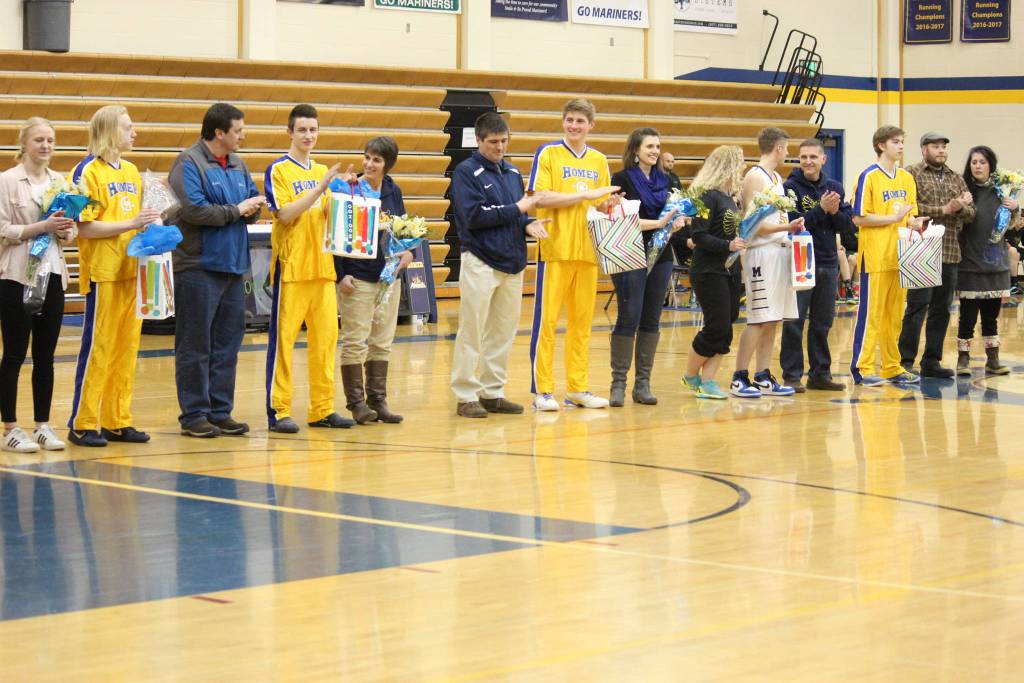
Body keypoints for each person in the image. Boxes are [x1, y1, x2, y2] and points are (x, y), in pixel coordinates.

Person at [67, 105, 162, 447]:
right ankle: (83, 421)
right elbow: (86, 228)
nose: (134, 133)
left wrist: (153, 223)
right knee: (99, 348)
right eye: (127, 127)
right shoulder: (87, 171)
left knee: (127, 348)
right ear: (109, 131)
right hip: (103, 272)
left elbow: (138, 218)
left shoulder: (134, 170)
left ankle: (117, 420)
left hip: (132, 270)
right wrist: (131, 223)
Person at [169, 103, 265, 438]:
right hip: (198, 266)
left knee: (227, 342)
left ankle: (220, 410)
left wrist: (250, 210)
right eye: (238, 130)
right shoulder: (188, 163)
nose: (243, 135)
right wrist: (236, 210)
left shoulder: (238, 164)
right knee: (195, 344)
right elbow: (194, 210)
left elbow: (252, 199)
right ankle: (194, 414)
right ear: (219, 132)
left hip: (234, 265)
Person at [449, 113, 548, 418]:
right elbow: (474, 217)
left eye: (504, 141)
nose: (500, 147)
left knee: (503, 332)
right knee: (472, 330)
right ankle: (466, 395)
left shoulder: (512, 172)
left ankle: (492, 392)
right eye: (493, 142)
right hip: (479, 259)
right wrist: (519, 209)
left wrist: (527, 223)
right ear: (479, 141)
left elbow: (515, 214)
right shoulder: (466, 172)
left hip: (512, 262)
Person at [263, 104, 355, 433]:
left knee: (326, 343)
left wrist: (349, 191)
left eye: (313, 130)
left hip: (323, 270)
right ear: (290, 132)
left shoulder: (322, 172)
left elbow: (333, 216)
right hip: (292, 270)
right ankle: (280, 410)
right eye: (302, 130)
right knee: (284, 344)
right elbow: (286, 214)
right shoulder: (278, 170)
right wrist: (321, 188)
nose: (308, 135)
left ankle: (322, 409)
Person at [527, 98, 619, 411]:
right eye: (569, 120)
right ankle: (543, 391)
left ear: (591, 125)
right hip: (555, 248)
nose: (574, 126)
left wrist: (611, 204)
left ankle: (577, 388)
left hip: (588, 250)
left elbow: (602, 201)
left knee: (582, 324)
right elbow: (540, 197)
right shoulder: (548, 153)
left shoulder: (599, 160)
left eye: (580, 121)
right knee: (547, 322)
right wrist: (584, 194)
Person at [0, 117, 76, 452]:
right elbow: (5, 230)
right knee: (15, 352)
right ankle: (11, 426)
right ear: (24, 144)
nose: (45, 146)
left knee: (46, 355)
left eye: (50, 140)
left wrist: (64, 229)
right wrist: (41, 226)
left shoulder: (60, 182)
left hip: (53, 275)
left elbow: (70, 232)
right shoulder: (6, 181)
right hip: (16, 276)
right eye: (39, 140)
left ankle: (43, 424)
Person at [336, 136, 415, 424]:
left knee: (382, 342)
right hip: (356, 277)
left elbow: (402, 229)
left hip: (388, 277)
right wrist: (340, 273)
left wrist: (408, 253)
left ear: (387, 165)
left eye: (376, 160)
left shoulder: (394, 190)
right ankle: (356, 403)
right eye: (366, 157)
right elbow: (336, 233)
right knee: (355, 341)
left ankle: (378, 400)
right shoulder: (350, 187)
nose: (369, 164)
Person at [608, 128, 689, 407]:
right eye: (649, 146)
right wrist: (660, 223)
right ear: (635, 150)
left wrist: (678, 222)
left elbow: (673, 216)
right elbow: (619, 220)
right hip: (629, 253)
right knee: (628, 315)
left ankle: (643, 384)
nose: (655, 151)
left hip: (662, 255)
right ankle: (618, 383)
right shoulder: (620, 179)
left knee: (652, 318)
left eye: (657, 146)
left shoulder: (666, 180)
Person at [730, 127, 804, 399]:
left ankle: (762, 375)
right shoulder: (755, 177)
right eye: (787, 148)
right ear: (779, 148)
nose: (788, 153)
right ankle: (739, 376)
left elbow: (776, 220)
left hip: (779, 252)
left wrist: (790, 227)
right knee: (758, 318)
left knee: (773, 319)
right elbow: (752, 226)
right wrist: (785, 228)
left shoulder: (776, 177)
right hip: (761, 253)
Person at [850, 125, 927, 386]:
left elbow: (910, 215)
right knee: (871, 315)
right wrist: (892, 219)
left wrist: (914, 223)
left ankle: (892, 367)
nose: (902, 146)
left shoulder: (906, 178)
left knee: (894, 317)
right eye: (896, 141)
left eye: (903, 141)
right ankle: (863, 368)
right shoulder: (868, 176)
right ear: (881, 145)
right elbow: (858, 217)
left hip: (901, 257)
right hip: (875, 257)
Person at [898, 132, 975, 378]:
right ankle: (906, 360)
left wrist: (961, 207)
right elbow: (911, 207)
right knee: (917, 306)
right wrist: (945, 209)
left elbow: (972, 214)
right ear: (924, 149)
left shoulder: (956, 178)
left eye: (944, 146)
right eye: (935, 146)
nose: (941, 150)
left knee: (942, 309)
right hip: (921, 249)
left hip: (950, 251)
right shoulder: (911, 173)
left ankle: (931, 360)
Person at [780, 137, 854, 392]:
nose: (808, 162)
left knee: (823, 322)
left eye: (813, 157)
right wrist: (821, 210)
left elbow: (847, 225)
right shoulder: (790, 188)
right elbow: (793, 223)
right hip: (800, 262)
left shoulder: (834, 187)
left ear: (824, 159)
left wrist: (834, 212)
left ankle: (820, 374)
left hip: (828, 262)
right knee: (794, 320)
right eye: (803, 157)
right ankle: (791, 375)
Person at [680, 145, 747, 400]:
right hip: (709, 270)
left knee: (727, 325)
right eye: (739, 163)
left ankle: (707, 382)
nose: (742, 169)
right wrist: (727, 245)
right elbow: (698, 235)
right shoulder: (708, 196)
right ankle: (689, 374)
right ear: (728, 166)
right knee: (716, 325)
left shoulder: (730, 197)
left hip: (730, 270)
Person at [956, 145, 1019, 376]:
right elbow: (958, 224)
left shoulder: (1001, 191)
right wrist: (961, 205)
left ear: (991, 165)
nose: (978, 166)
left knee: (991, 317)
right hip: (970, 264)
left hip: (996, 264)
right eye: (974, 162)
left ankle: (993, 360)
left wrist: (1015, 208)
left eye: (982, 162)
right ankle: (963, 359)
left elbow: (1010, 225)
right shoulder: (963, 190)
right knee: (967, 316)